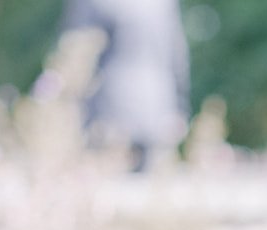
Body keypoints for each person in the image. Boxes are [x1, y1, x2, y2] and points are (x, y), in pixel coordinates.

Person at [60, 0, 189, 170]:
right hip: (156, 106)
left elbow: (75, 49)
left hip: (108, 107)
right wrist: (180, 106)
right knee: (148, 181)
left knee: (103, 177)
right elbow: (177, 55)